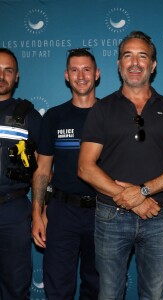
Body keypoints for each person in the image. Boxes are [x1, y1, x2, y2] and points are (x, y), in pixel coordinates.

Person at [77, 31, 163, 299]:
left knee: (153, 295)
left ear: (153, 65)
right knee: (109, 294)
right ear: (118, 64)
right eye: (127, 55)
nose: (135, 62)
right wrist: (135, 199)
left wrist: (142, 192)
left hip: (157, 216)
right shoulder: (102, 109)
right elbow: (85, 167)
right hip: (110, 217)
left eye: (143, 56)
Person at [31, 48, 100, 299]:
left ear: (97, 74)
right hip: (62, 212)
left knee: (99, 287)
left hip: (103, 213)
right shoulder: (54, 117)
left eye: (86, 69)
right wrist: (37, 214)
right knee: (58, 287)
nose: (81, 76)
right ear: (66, 76)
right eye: (74, 70)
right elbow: (42, 170)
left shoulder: (112, 114)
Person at [0, 48, 41, 299]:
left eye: (8, 70)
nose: (2, 76)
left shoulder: (28, 116)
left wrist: (40, 211)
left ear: (17, 77)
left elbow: (43, 169)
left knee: (15, 286)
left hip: (12, 211)